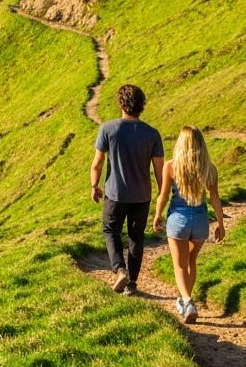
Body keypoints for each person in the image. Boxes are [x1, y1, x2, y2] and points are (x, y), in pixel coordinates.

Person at [90, 83, 164, 295]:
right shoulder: (152, 134)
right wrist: (162, 193)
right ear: (142, 105)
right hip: (142, 195)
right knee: (136, 237)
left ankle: (119, 270)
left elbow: (97, 162)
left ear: (121, 104)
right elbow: (159, 169)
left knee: (110, 230)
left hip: (115, 193)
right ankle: (131, 284)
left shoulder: (108, 129)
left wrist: (94, 185)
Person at [153, 126, 225, 323]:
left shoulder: (171, 166)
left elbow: (163, 195)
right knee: (191, 260)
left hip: (178, 219)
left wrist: (157, 215)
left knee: (179, 265)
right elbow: (215, 198)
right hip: (201, 221)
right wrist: (220, 223)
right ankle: (185, 302)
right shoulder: (209, 168)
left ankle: (187, 300)